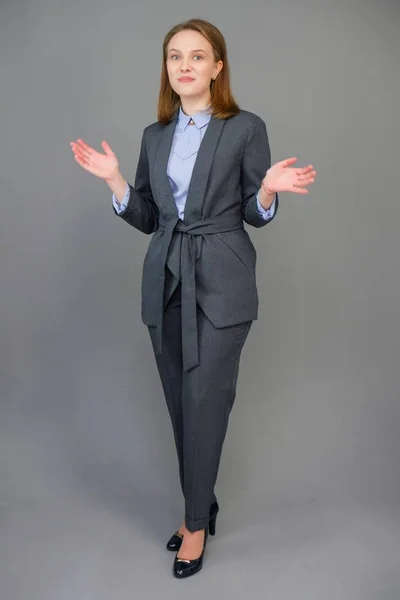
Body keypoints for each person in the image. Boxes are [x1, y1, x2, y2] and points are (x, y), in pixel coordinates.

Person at [70, 18, 316, 578]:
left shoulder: (245, 128)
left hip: (223, 282)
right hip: (165, 280)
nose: (185, 66)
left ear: (218, 67)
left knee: (205, 402)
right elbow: (151, 218)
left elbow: (253, 213)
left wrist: (270, 191)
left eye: (198, 56)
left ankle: (195, 526)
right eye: (175, 56)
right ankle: (201, 500)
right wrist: (115, 183)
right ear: (167, 68)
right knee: (182, 405)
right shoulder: (154, 136)